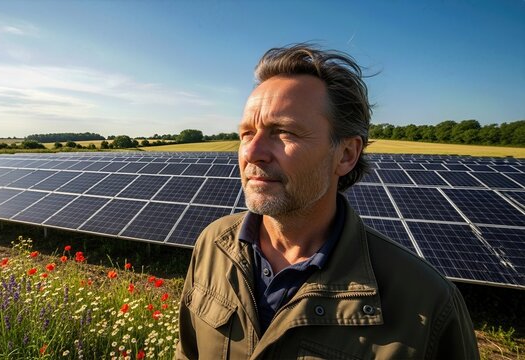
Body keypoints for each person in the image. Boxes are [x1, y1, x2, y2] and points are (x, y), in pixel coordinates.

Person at [176, 43, 479, 359]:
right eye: (247, 134)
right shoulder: (213, 244)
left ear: (346, 154)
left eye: (284, 132)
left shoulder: (426, 302)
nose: (252, 153)